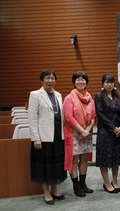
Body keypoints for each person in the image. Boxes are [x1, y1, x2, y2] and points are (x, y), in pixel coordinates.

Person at [28, 69, 67, 205]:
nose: (50, 81)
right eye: (47, 78)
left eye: (52, 78)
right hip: (43, 137)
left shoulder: (58, 95)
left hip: (57, 135)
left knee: (57, 164)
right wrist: (35, 138)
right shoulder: (35, 95)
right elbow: (32, 118)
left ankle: (55, 190)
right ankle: (46, 192)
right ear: (42, 80)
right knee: (44, 165)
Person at [63, 71, 96, 197]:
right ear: (74, 82)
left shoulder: (89, 99)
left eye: (83, 80)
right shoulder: (69, 98)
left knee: (84, 159)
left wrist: (87, 129)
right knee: (75, 159)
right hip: (74, 132)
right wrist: (82, 130)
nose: (81, 82)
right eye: (78, 80)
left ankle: (83, 184)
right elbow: (68, 117)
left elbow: (93, 116)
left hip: (86, 132)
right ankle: (76, 187)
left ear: (86, 82)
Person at [95, 73, 120, 194]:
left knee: (116, 157)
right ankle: (107, 183)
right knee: (104, 158)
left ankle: (114, 181)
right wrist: (113, 127)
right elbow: (100, 114)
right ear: (103, 84)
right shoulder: (99, 96)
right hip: (105, 131)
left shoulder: (118, 96)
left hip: (118, 132)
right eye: (107, 82)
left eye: (111, 82)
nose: (109, 84)